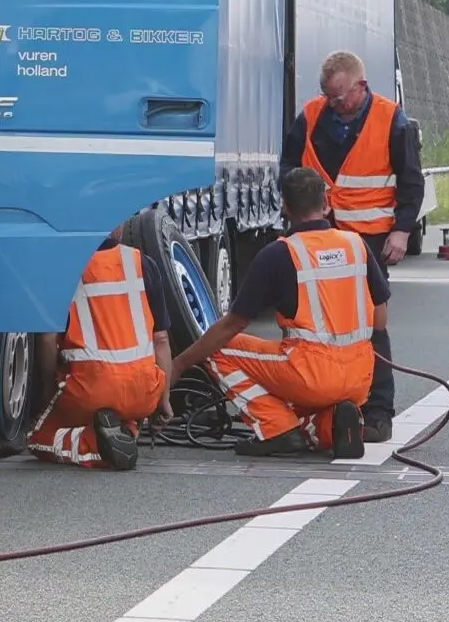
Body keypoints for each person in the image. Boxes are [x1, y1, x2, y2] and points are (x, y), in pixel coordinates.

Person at [166, 168, 388, 458]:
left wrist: (180, 364)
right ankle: (333, 423)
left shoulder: (279, 254)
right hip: (359, 378)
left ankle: (276, 428)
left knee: (219, 348)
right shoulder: (356, 245)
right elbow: (380, 320)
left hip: (311, 375)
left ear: (284, 206)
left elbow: (232, 325)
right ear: (326, 204)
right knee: (304, 400)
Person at [280, 50, 422, 443]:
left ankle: (377, 412)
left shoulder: (391, 119)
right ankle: (329, 403)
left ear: (361, 86)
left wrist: (402, 231)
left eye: (340, 97)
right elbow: (288, 165)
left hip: (367, 241)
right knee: (315, 323)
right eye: (328, 96)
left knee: (369, 324)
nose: (333, 103)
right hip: (316, 235)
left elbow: (412, 182)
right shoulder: (311, 115)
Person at [25, 225, 173, 470]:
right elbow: (162, 340)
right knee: (124, 415)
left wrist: (49, 389)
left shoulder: (61, 269)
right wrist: (163, 399)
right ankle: (124, 432)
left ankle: (94, 444)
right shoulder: (143, 263)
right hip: (143, 392)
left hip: (89, 390)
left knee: (38, 439)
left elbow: (48, 339)